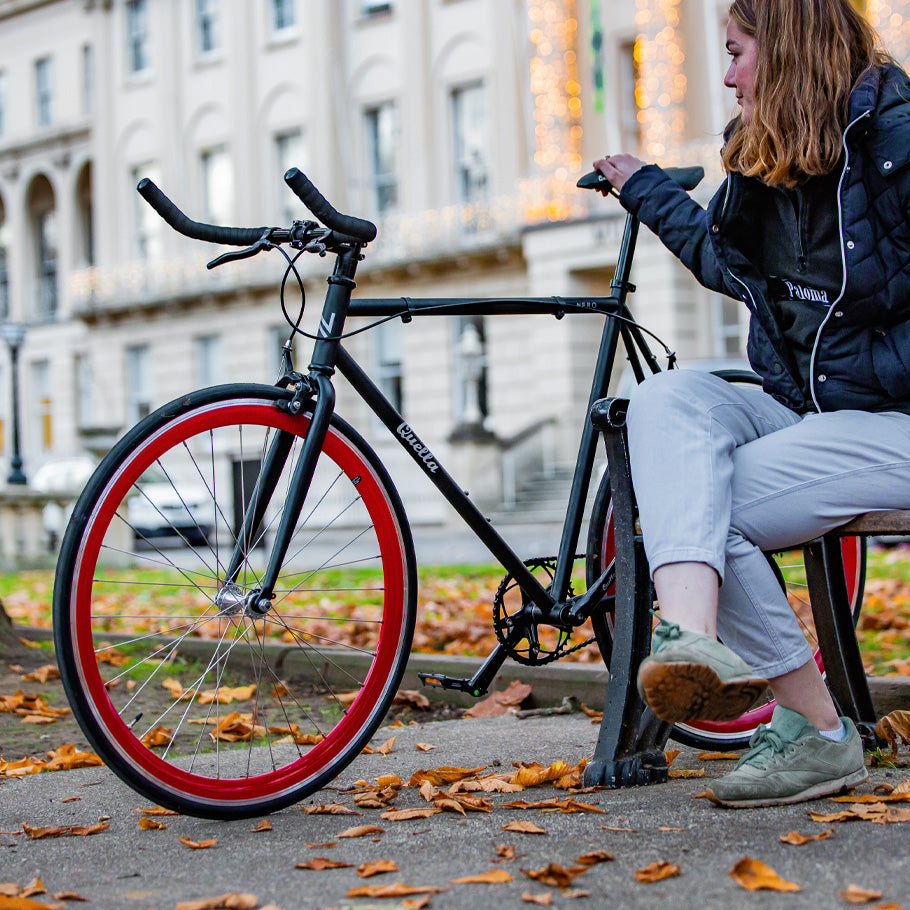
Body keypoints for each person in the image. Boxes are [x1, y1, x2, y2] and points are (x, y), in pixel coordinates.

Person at [592, 0, 910, 808]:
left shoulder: (896, 141)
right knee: (665, 398)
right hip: (811, 413)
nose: (726, 74)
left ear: (789, 47)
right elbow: (726, 263)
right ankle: (695, 645)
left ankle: (820, 734)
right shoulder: (772, 155)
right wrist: (649, 191)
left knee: (698, 502)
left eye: (735, 52)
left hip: (895, 422)